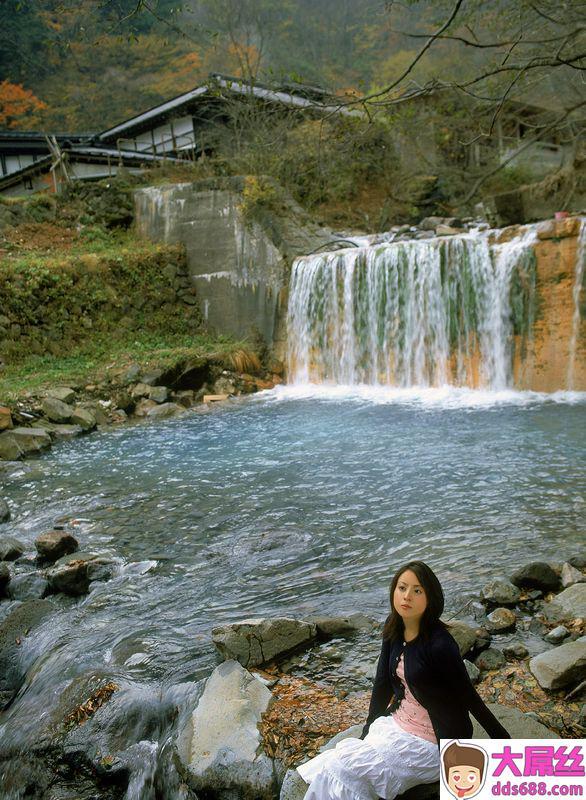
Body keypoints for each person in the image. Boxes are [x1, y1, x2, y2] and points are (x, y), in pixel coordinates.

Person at [296, 560, 510, 800]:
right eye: (402, 588)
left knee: (344, 770)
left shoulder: (440, 645)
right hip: (395, 725)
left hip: (429, 744)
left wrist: (505, 748)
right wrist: (367, 729)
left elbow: (470, 697)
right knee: (337, 763)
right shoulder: (395, 626)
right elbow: (382, 684)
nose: (407, 596)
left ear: (431, 597)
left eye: (417, 590)